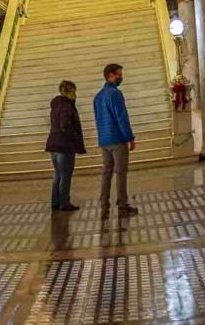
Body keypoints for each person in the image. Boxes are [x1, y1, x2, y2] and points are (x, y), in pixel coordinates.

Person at [94, 62, 138, 215]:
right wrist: (130, 137)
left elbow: (98, 120)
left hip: (104, 140)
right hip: (117, 139)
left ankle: (104, 205)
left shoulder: (98, 97)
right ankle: (122, 205)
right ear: (111, 75)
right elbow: (121, 118)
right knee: (121, 172)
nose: (121, 77)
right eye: (119, 74)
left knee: (106, 173)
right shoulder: (116, 94)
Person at [45, 79, 86, 212]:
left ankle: (55, 201)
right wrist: (74, 138)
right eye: (74, 91)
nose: (75, 94)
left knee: (58, 174)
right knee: (66, 175)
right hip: (64, 145)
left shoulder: (56, 105)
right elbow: (65, 125)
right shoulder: (66, 106)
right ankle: (64, 202)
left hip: (53, 144)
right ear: (69, 91)